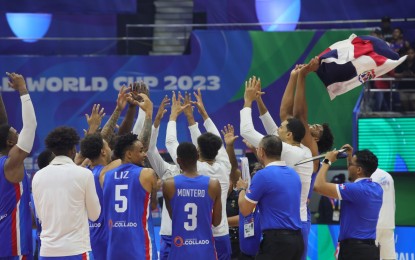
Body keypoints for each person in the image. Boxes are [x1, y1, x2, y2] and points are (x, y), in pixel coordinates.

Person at [240, 75, 313, 258]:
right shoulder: (300, 151)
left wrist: (248, 102)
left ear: (288, 135)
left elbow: (247, 131)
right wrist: (259, 100)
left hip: (289, 225)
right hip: (296, 222)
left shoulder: (289, 152)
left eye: (281, 127)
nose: (276, 129)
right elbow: (272, 132)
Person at [166, 91, 232, 260]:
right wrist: (202, 114)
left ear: (196, 152)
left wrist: (174, 116)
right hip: (221, 233)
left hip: (194, 237)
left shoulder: (194, 167)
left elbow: (171, 143)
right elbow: (215, 141)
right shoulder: (225, 167)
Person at [32, 127, 101, 259]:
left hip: (47, 251)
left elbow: (40, 216)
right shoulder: (84, 174)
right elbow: (94, 215)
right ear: (73, 150)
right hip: (76, 250)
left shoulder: (38, 176)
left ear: (52, 150)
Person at [238, 135, 303, 259]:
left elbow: (245, 210)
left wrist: (242, 189)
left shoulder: (262, 175)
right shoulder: (294, 174)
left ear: (261, 151)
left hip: (277, 243)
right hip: (297, 241)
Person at [313, 144, 383, 260]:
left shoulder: (356, 190)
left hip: (353, 251)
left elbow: (318, 186)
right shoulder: (377, 188)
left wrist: (327, 161)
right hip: (370, 250)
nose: (349, 166)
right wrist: (350, 157)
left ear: (359, 170)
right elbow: (354, 181)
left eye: (351, 165)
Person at [100, 133, 158, 260]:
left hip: (114, 246)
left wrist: (120, 160)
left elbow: (106, 169)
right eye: (141, 151)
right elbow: (153, 206)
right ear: (129, 154)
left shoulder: (105, 177)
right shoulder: (147, 174)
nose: (145, 154)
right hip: (139, 244)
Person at [163, 142, 222, 259]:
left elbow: (173, 216)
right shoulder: (213, 184)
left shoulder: (169, 184)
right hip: (205, 251)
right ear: (198, 157)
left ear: (178, 160)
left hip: (180, 249)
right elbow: (216, 221)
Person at [0, 72, 37, 259]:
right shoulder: (11, 164)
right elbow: (30, 126)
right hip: (13, 246)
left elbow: (3, 125)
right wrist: (23, 90)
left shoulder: (5, 162)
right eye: (16, 132)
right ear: (9, 142)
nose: (19, 132)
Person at [80, 133, 112, 260]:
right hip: (105, 236)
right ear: (103, 152)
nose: (111, 149)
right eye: (108, 146)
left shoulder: (82, 172)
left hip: (86, 236)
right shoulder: (108, 172)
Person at [371, 168, 396, 260]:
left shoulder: (367, 177)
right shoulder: (388, 176)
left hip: (372, 225)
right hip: (388, 224)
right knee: (389, 258)